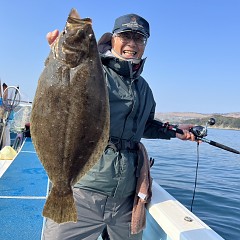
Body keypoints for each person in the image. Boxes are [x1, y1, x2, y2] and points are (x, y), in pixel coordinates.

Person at [43, 13, 196, 240]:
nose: (132, 44)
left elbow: (143, 126)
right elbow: (62, 96)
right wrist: (58, 57)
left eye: (139, 38)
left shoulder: (144, 89)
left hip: (125, 197)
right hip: (84, 190)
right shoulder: (93, 70)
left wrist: (175, 131)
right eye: (126, 36)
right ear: (112, 38)